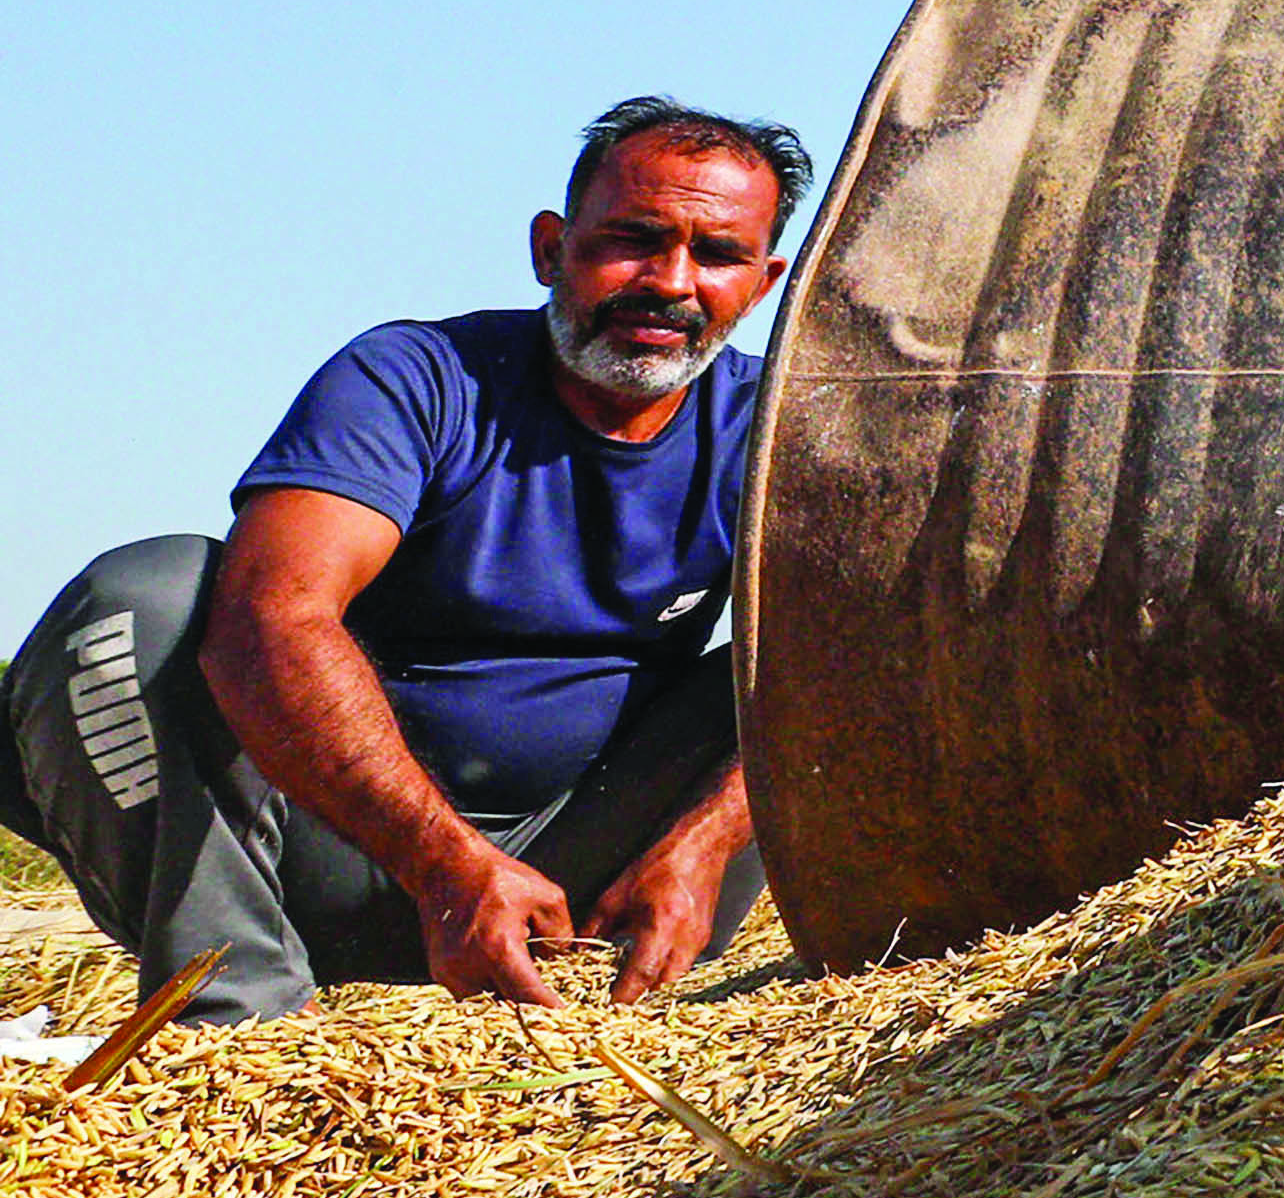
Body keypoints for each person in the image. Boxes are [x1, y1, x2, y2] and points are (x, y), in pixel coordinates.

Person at [2, 97, 812, 1025]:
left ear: (763, 280)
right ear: (551, 248)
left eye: (716, 255)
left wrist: (705, 842)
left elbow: (851, 668)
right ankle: (234, 1020)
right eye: (632, 239)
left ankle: (618, 1006)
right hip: (347, 851)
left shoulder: (779, 426)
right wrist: (448, 869)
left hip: (576, 882)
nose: (671, 281)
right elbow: (275, 614)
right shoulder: (416, 378)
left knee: (814, 660)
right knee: (139, 596)